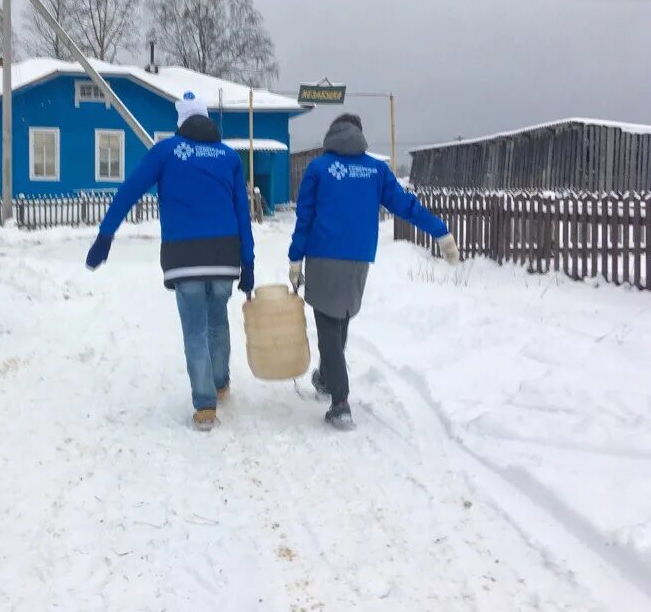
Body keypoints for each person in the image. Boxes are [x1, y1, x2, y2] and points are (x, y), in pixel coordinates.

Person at [86, 91, 255, 431]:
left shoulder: (166, 152)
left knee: (195, 327)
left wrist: (106, 236)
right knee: (218, 319)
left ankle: (205, 407)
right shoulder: (229, 157)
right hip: (225, 256)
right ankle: (220, 383)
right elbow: (242, 212)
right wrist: (248, 263)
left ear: (181, 123)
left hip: (185, 256)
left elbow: (129, 191)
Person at [288, 113, 459, 430]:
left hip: (323, 254)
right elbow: (405, 205)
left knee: (327, 321)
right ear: (359, 135)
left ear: (332, 134)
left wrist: (295, 258)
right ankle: (327, 378)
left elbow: (305, 216)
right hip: (358, 257)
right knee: (340, 316)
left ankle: (340, 402)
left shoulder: (319, 168)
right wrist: (440, 232)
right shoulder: (375, 169)